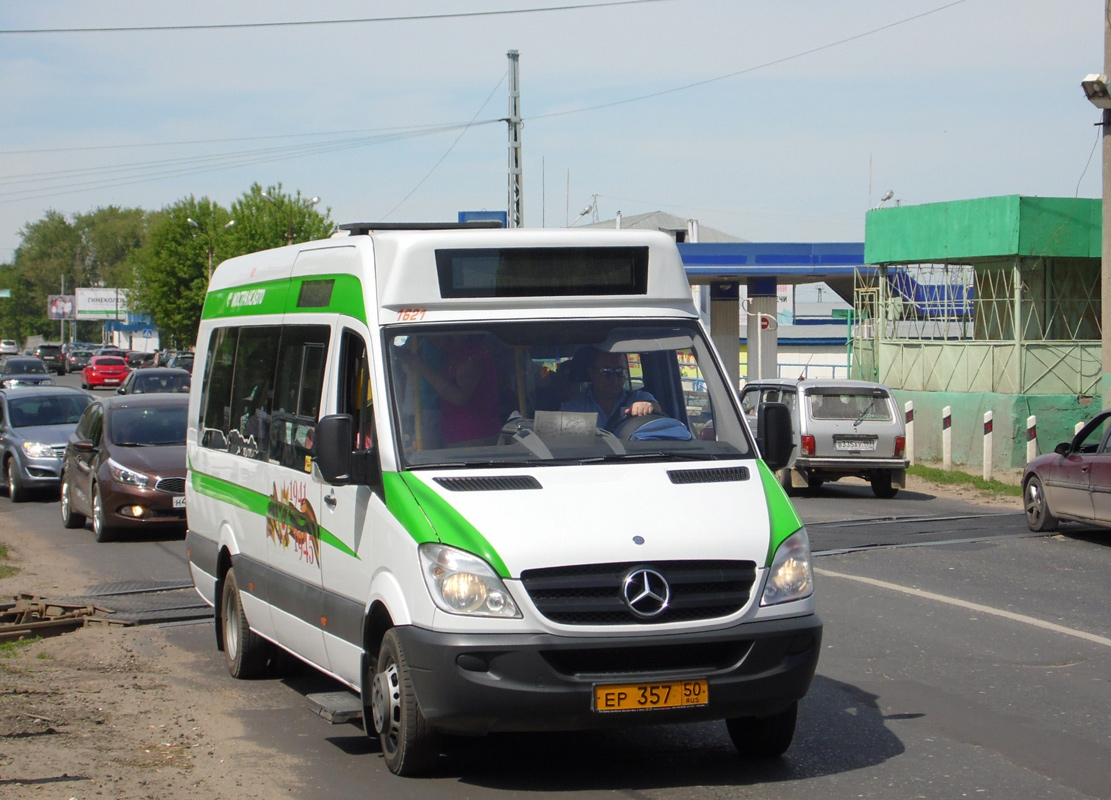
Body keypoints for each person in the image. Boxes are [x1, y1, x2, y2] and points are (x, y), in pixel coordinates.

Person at [401, 335, 500, 445]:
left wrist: (424, 370)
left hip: (473, 436)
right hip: (459, 435)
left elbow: (459, 397)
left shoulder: (471, 356)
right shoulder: (455, 355)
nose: (434, 341)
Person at [561, 348, 661, 431]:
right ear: (591, 373)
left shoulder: (638, 398)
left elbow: (656, 408)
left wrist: (648, 407)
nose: (614, 378)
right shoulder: (575, 409)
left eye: (620, 372)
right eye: (606, 372)